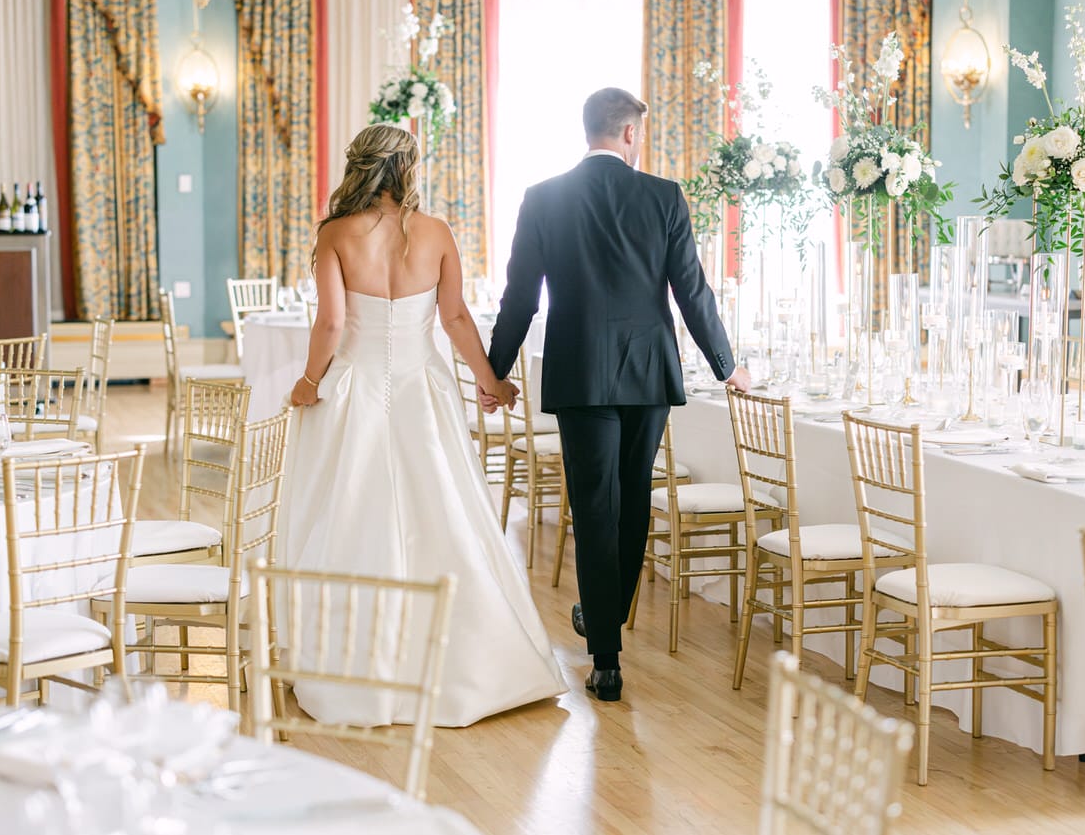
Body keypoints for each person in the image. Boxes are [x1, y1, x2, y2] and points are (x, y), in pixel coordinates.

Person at [279, 123, 565, 727]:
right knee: (442, 511)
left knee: (351, 510)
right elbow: (456, 317)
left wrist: (309, 383)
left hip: (353, 389)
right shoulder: (435, 233)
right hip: (421, 387)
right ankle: (469, 664)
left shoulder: (334, 234)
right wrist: (491, 383)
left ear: (360, 166)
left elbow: (332, 326)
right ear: (409, 168)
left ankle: (350, 665)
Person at [486, 88, 750, 703]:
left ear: (589, 132)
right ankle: (604, 617)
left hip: (578, 374)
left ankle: (605, 652)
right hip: (646, 373)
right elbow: (692, 291)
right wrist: (726, 365)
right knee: (634, 500)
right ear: (630, 134)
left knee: (594, 504)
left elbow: (520, 297)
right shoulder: (662, 196)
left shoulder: (542, 198)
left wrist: (496, 372)